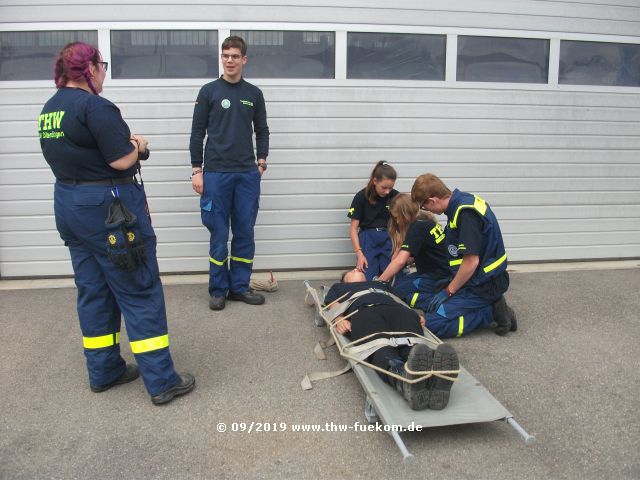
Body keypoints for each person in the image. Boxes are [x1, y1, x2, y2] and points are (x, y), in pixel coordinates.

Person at [39, 42, 195, 405]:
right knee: (139, 290)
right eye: (102, 65)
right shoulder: (95, 107)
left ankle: (104, 370)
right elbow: (122, 160)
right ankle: (162, 381)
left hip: (70, 206)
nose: (104, 71)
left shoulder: (51, 108)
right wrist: (139, 145)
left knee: (94, 290)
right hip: (108, 212)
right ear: (89, 68)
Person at [190, 35, 270, 311]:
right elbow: (197, 133)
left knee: (245, 232)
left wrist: (261, 162)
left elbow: (262, 130)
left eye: (235, 56)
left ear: (244, 59)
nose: (230, 60)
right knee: (218, 233)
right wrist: (196, 170)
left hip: (246, 175)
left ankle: (239, 287)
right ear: (221, 58)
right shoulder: (208, 91)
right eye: (225, 56)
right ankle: (218, 289)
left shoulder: (253, 94)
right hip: (215, 175)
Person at [324, 268, 459, 410]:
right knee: (381, 346)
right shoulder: (339, 287)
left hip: (397, 310)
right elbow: (332, 304)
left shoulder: (382, 284)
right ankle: (404, 380)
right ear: (345, 279)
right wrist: (339, 319)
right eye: (352, 270)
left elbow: (400, 301)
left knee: (414, 346)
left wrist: (414, 314)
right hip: (364, 311)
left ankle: (433, 379)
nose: (357, 268)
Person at [411, 173, 517, 337]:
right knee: (430, 303)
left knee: (432, 324)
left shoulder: (465, 214)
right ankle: (487, 304)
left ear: (432, 200)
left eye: (425, 207)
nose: (427, 211)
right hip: (476, 279)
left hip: (484, 285)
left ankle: (491, 311)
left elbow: (471, 262)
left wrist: (449, 291)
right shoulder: (462, 202)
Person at [376, 193, 450, 312]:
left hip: (437, 276)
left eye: (396, 217)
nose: (397, 221)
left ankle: (439, 303)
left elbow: (399, 261)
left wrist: (379, 283)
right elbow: (408, 259)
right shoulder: (425, 220)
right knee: (396, 286)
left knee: (396, 293)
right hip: (436, 272)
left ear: (405, 214)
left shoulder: (418, 226)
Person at [348, 161, 399, 281]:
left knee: (391, 276)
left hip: (389, 237)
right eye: (384, 187)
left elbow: (403, 225)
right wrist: (359, 253)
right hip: (368, 238)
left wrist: (398, 249)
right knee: (367, 277)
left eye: (390, 188)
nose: (387, 191)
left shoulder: (395, 196)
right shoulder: (361, 196)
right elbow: (353, 228)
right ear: (375, 181)